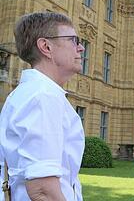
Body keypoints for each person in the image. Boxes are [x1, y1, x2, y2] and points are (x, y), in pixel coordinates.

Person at [0, 12, 85, 200]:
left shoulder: (31, 93)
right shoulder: (43, 96)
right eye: (73, 40)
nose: (80, 48)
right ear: (46, 47)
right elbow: (43, 190)